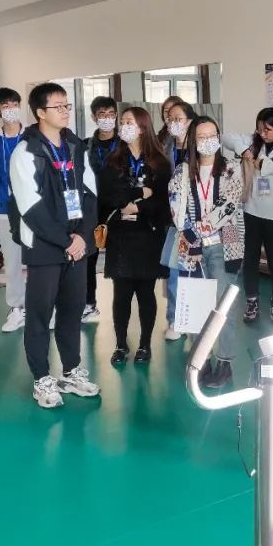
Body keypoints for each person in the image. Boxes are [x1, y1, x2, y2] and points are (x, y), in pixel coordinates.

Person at [10, 83, 101, 409]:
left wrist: (82, 237)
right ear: (40, 112)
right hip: (45, 246)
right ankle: (41, 378)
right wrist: (66, 241)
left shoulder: (76, 147)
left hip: (77, 243)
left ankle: (71, 371)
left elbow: (90, 194)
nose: (65, 111)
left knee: (72, 310)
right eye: (58, 106)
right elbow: (30, 207)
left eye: (67, 105)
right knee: (39, 314)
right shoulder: (25, 152)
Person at [170, 116, 245, 388]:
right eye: (201, 137)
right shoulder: (182, 172)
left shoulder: (231, 168)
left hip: (226, 244)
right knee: (196, 305)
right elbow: (176, 206)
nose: (207, 141)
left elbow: (229, 204)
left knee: (223, 307)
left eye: (212, 135)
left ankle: (225, 363)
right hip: (191, 248)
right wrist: (193, 238)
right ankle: (200, 359)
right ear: (192, 141)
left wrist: (201, 230)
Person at [99, 107, 171, 365]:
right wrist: (140, 194)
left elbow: (163, 200)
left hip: (148, 235)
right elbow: (109, 194)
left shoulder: (160, 162)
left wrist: (138, 207)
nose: (124, 126)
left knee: (146, 293)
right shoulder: (113, 160)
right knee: (121, 294)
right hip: (121, 235)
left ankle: (145, 344)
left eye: (129, 122)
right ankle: (120, 344)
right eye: (123, 122)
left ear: (142, 127)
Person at [224, 108, 273, 323]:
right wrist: (243, 150)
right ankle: (252, 301)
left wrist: (267, 165)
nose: (263, 134)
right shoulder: (252, 141)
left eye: (267, 129)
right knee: (250, 258)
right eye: (259, 129)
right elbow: (226, 138)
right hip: (252, 210)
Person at [0, 88, 27, 332]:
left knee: (42, 258)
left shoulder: (32, 136)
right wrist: (3, 195)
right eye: (5, 106)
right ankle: (16, 307)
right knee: (12, 260)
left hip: (35, 207)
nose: (10, 109)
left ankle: (43, 306)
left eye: (13, 104)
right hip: (6, 208)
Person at [160, 100, 196, 341]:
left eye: (178, 118)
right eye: (169, 118)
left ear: (189, 121)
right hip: (173, 221)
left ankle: (196, 317)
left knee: (197, 272)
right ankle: (175, 319)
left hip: (197, 221)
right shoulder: (164, 147)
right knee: (175, 271)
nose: (173, 122)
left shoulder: (200, 147)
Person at [84, 95, 120, 323]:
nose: (107, 119)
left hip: (119, 207)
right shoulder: (85, 146)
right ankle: (89, 303)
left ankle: (121, 306)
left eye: (110, 114)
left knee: (119, 257)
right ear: (93, 117)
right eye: (102, 115)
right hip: (93, 208)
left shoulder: (126, 143)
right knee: (90, 256)